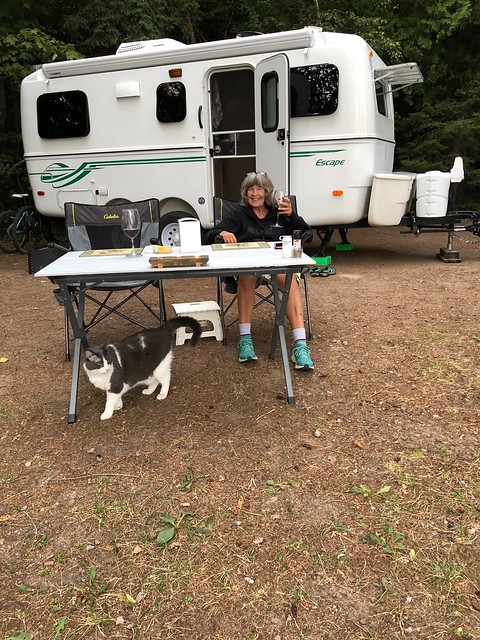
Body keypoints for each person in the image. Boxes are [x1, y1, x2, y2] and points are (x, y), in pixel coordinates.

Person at [206, 172, 314, 370]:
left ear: (267, 192)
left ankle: (300, 345)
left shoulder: (279, 212)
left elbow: (306, 232)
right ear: (245, 194)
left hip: (278, 266)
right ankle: (245, 339)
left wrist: (292, 215)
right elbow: (210, 234)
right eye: (250, 189)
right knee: (247, 275)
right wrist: (223, 232)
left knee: (287, 278)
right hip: (250, 268)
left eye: (259, 189)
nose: (255, 193)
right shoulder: (239, 215)